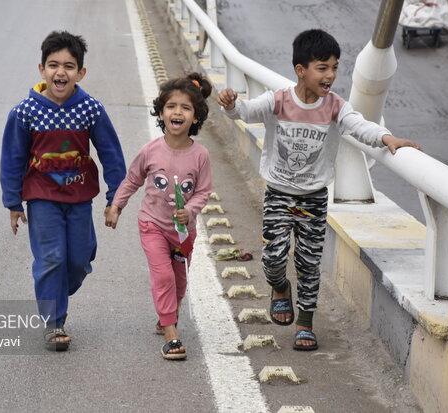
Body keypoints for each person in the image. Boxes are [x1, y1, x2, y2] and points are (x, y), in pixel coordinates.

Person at [217, 29, 421, 351]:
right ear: (301, 70)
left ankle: (305, 324)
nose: (331, 75)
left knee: (309, 263)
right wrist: (231, 105)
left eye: (335, 68)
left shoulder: (335, 107)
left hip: (313, 198)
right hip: (279, 193)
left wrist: (387, 139)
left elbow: (361, 126)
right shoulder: (278, 100)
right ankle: (280, 288)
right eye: (322, 68)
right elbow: (245, 112)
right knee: (273, 257)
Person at [0, 31, 126, 351]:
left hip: (80, 197)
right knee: (51, 258)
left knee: (78, 260)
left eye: (69, 66)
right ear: (41, 69)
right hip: (42, 197)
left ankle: (57, 290)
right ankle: (53, 322)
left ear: (80, 73)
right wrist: (13, 202)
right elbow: (13, 158)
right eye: (53, 65)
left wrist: (116, 198)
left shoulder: (90, 109)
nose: (61, 72)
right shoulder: (25, 112)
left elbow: (111, 153)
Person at [105, 73, 213, 360]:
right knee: (163, 275)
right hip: (152, 225)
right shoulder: (150, 151)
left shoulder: (200, 155)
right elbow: (132, 179)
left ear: (196, 117)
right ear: (161, 112)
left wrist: (190, 210)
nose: (177, 112)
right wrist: (117, 205)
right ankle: (171, 334)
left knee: (179, 283)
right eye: (171, 106)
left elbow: (203, 191)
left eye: (186, 108)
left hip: (182, 233)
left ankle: (166, 314)